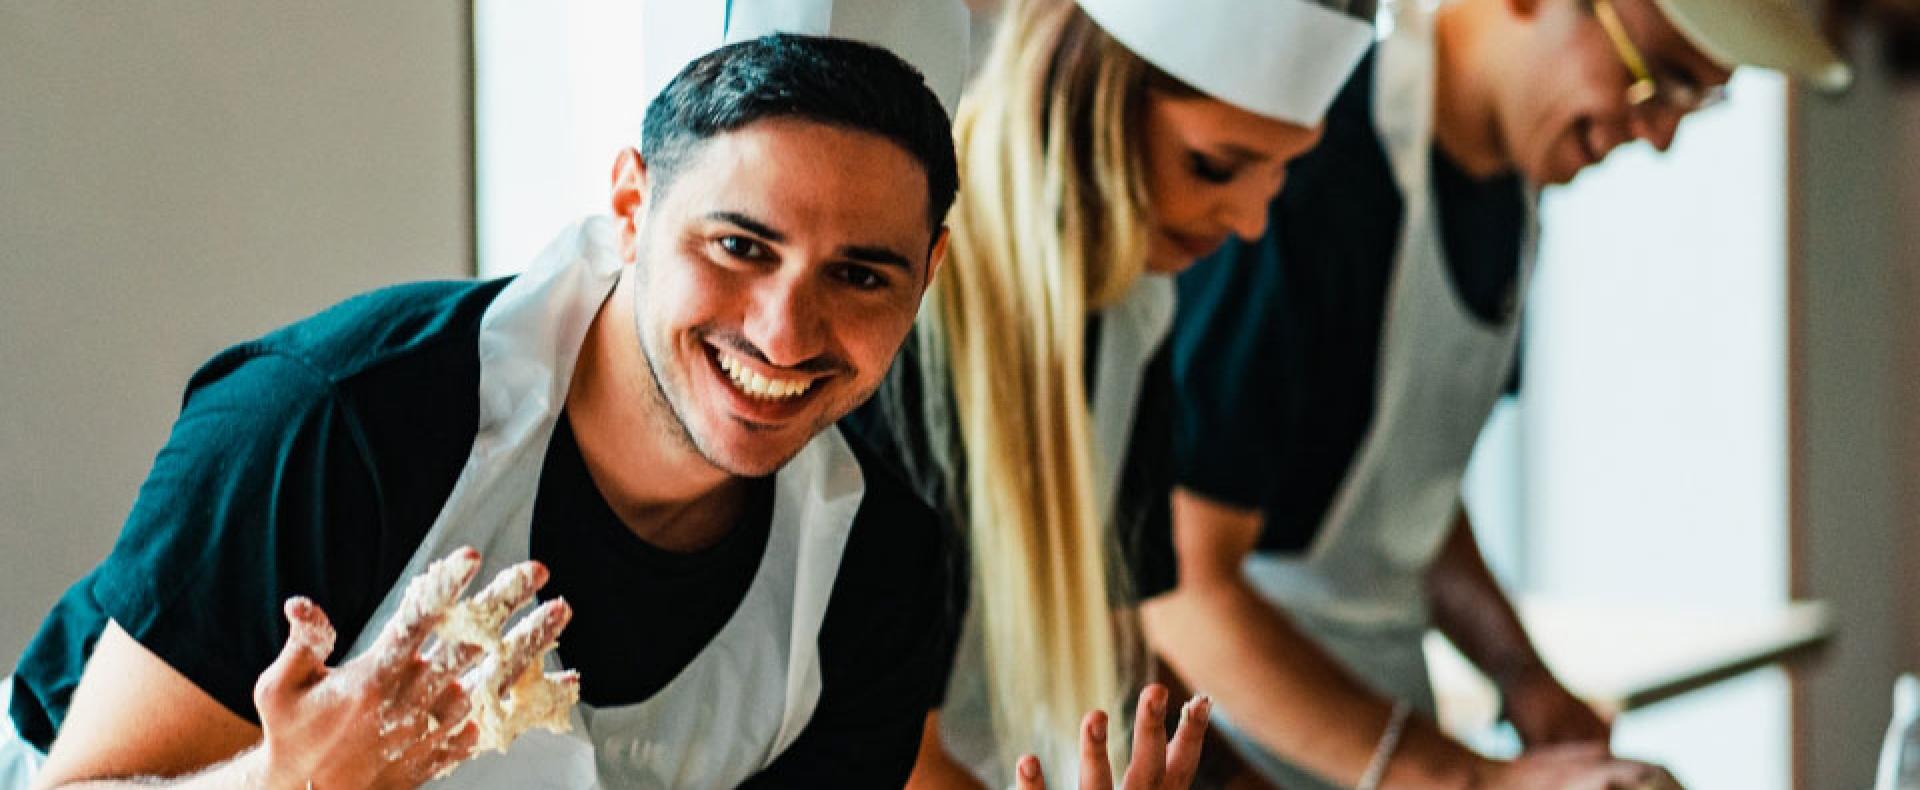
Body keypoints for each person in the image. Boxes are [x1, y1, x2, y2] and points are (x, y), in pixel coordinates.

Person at [4, 32, 964, 789]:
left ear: (928, 275)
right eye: (739, 247)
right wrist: (282, 782)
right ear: (631, 209)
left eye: (859, 274)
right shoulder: (334, 424)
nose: (787, 334)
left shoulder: (880, 570)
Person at [1150, 0, 1851, 784]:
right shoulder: (1307, 176)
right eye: (1656, 79)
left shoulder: (1509, 201)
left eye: (1695, 102)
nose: (1658, 135)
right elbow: (1186, 585)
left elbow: (1408, 490)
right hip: (1237, 751)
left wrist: (1524, 679)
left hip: (1386, 723)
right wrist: (1465, 778)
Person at [843, 0, 1376, 785]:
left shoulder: (1137, 314)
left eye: (1282, 169)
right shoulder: (905, 317)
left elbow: (1129, 673)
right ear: (1087, 90)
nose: (1254, 220)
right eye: (1214, 166)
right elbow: (886, 754)